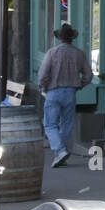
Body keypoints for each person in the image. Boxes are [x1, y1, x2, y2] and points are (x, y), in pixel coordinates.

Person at [38, 22, 92, 168]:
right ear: (72, 38)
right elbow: (89, 75)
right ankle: (60, 153)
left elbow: (43, 74)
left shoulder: (52, 52)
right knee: (66, 124)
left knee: (49, 124)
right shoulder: (79, 54)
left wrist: (43, 86)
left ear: (59, 38)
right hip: (71, 92)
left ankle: (59, 150)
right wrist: (79, 85)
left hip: (53, 91)